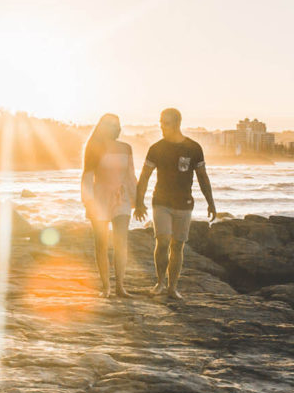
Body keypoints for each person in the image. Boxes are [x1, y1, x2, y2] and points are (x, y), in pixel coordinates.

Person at [134, 108, 216, 300]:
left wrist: (211, 203)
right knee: (162, 241)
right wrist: (139, 203)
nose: (161, 126)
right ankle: (160, 283)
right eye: (161, 122)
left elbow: (203, 178)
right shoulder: (156, 148)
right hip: (161, 202)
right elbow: (144, 177)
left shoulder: (194, 148)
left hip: (184, 204)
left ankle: (172, 288)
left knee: (177, 245)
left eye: (165, 122)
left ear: (177, 123)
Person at [81, 113, 137, 298]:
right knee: (101, 244)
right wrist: (88, 202)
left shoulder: (126, 148)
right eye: (111, 124)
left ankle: (120, 286)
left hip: (121, 199)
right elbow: (87, 177)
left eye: (117, 124)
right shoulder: (94, 148)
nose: (116, 128)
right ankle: (106, 287)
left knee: (121, 243)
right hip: (99, 199)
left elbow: (130, 175)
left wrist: (137, 201)